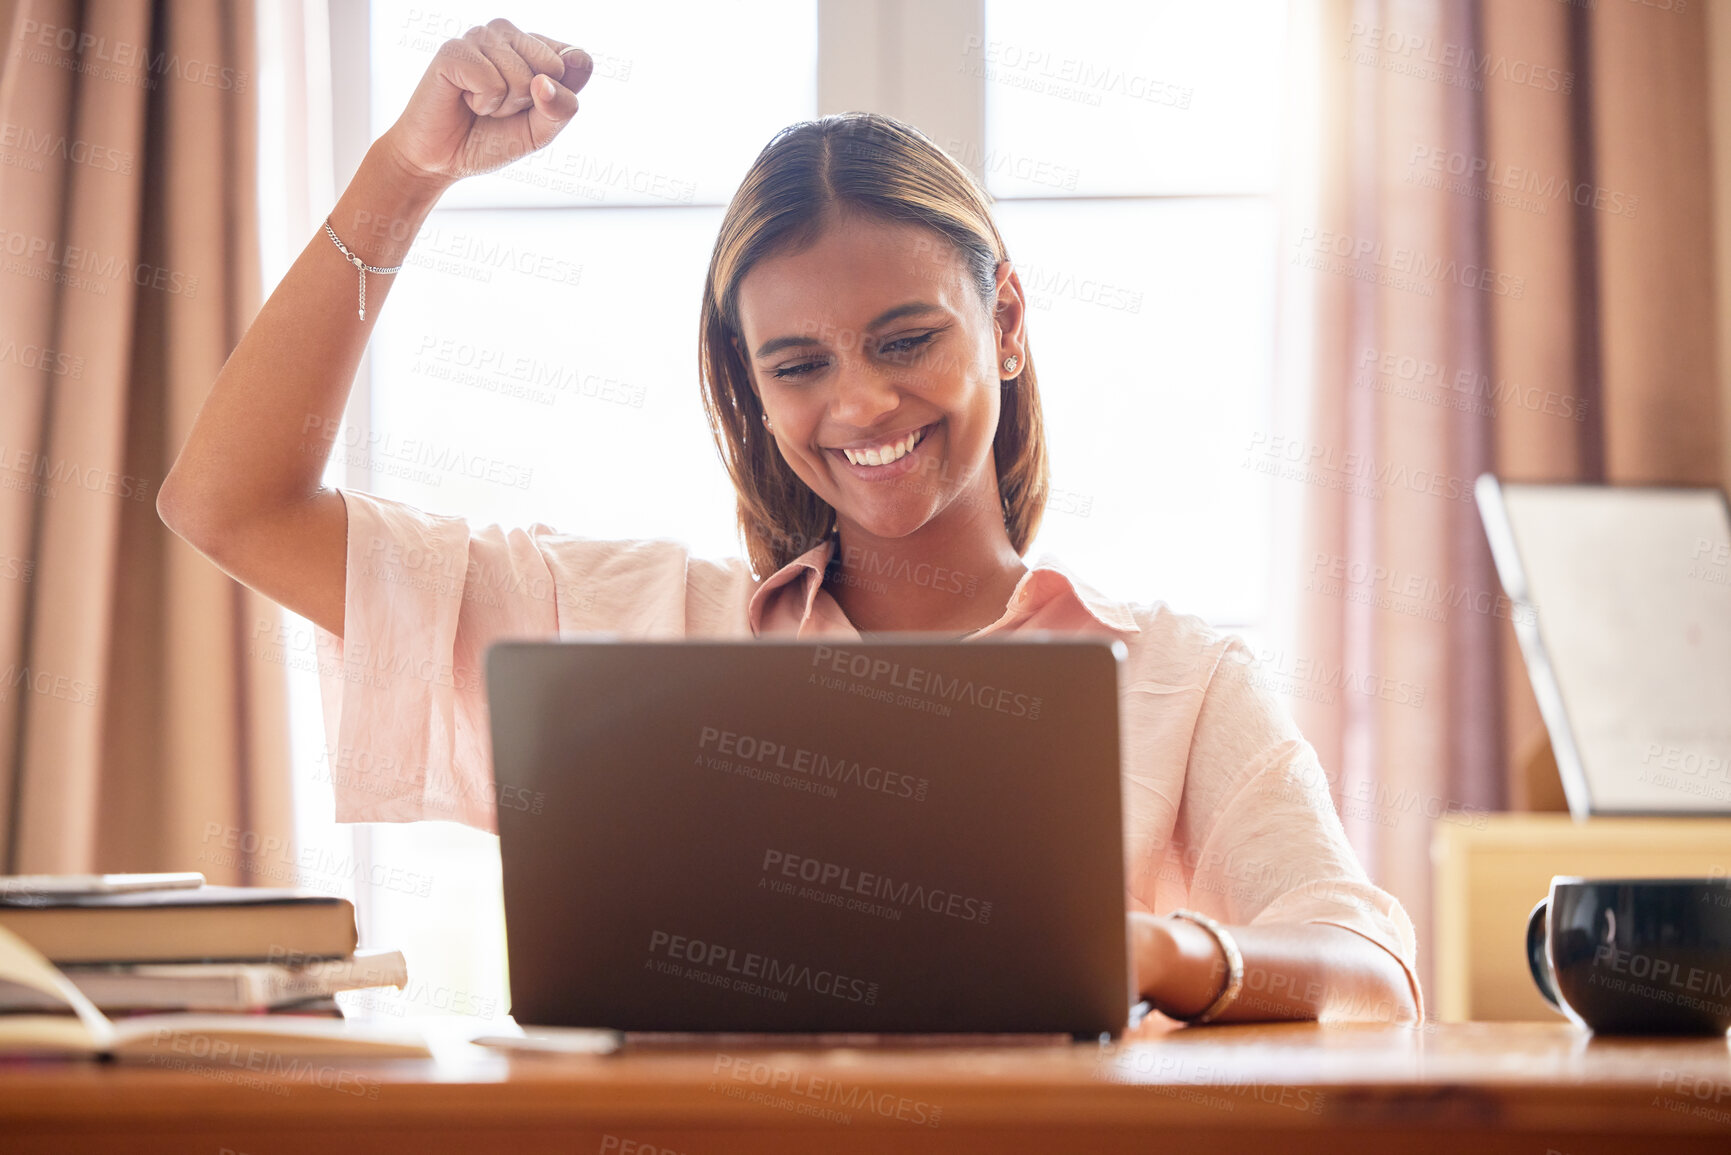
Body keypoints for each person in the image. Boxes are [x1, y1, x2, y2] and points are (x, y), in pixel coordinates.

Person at [158, 19, 1422, 1027]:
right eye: (799, 364)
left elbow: (1369, 973)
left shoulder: (1183, 681)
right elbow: (230, 503)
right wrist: (407, 172)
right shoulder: (631, 630)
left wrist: (1150, 951)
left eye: (908, 339)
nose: (861, 401)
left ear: (1010, 323)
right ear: (751, 390)